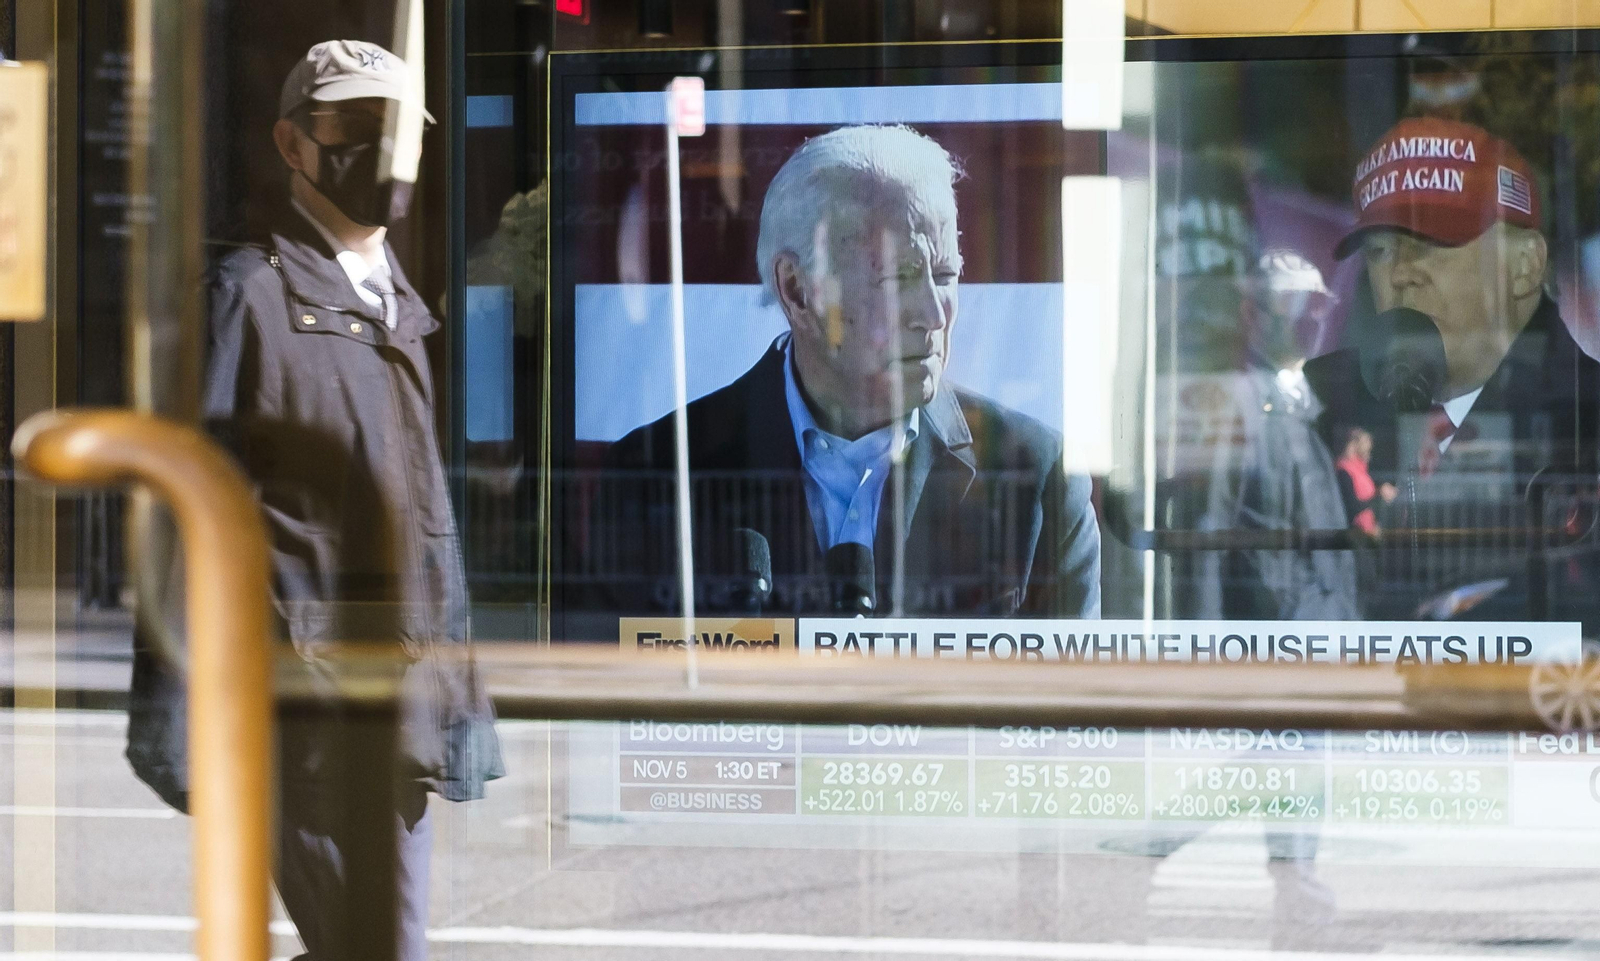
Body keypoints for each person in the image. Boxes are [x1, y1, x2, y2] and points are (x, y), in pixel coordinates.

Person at [127, 40, 503, 961]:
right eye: (351, 127)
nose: (378, 153)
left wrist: (458, 700)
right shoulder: (249, 298)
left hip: (398, 702)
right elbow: (187, 516)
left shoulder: (398, 309)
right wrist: (178, 716)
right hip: (307, 710)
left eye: (396, 132)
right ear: (292, 144)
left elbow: (424, 526)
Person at [601, 124, 1100, 617]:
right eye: (897, 277)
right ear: (797, 291)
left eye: (946, 274)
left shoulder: (1039, 478)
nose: (934, 312)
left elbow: (1077, 694)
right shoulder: (654, 475)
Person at [1305, 115, 1600, 623]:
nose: (1398, 273)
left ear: (1526, 265)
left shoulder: (1585, 415)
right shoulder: (1323, 413)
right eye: (1379, 250)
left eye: (1428, 244)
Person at [1333, 426, 1396, 535]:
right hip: (1355, 535)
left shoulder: (1360, 470)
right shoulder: (1343, 471)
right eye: (1365, 444)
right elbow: (1351, 507)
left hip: (1367, 534)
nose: (1369, 451)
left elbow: (1365, 498)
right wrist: (1379, 495)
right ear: (1353, 445)